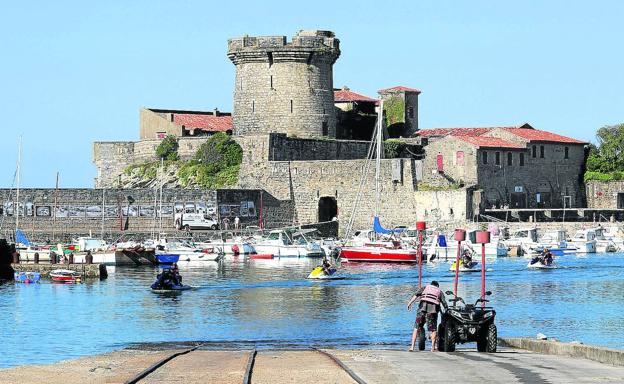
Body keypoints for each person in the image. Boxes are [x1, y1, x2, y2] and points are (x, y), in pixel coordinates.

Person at [407, 280, 448, 352]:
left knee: (416, 327)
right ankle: (432, 347)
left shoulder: (425, 288)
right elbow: (444, 303)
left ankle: (412, 347)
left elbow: (416, 295)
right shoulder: (439, 291)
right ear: (437, 286)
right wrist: (446, 310)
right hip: (432, 312)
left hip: (421, 311)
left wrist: (410, 303)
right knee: (433, 329)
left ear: (431, 284)